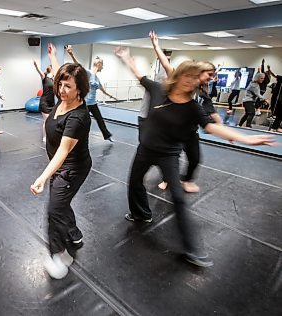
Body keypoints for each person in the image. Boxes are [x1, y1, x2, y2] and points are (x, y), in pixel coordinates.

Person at [115, 46, 274, 267]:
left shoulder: (192, 108)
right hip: (145, 149)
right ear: (178, 76)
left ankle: (191, 249)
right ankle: (141, 214)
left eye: (195, 78)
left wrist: (245, 139)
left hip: (168, 155)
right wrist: (126, 58)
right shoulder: (158, 89)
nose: (191, 81)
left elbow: (211, 127)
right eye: (187, 76)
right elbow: (137, 72)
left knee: (178, 198)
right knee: (133, 182)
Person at [30, 43, 91, 279]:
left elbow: (63, 152)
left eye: (68, 87)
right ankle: (74, 233)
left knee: (54, 210)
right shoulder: (63, 100)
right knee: (62, 203)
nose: (62, 90)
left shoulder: (78, 116)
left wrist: (42, 178)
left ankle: (59, 254)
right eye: (60, 85)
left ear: (80, 90)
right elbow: (60, 74)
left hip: (71, 169)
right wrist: (54, 57)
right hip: (62, 167)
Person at [149, 31, 221, 193]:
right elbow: (166, 65)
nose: (210, 78)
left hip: (189, 131)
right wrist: (156, 46)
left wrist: (221, 126)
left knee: (195, 158)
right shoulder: (180, 81)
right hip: (172, 130)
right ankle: (167, 178)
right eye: (209, 75)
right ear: (199, 72)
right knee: (170, 158)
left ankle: (187, 180)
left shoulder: (202, 90)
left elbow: (210, 109)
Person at [66, 45, 116, 142]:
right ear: (98, 64)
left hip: (93, 103)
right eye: (102, 64)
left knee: (100, 120)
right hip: (85, 103)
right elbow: (78, 65)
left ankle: (107, 135)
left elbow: (102, 89)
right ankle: (71, 135)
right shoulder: (88, 73)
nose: (103, 67)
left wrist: (111, 96)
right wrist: (71, 54)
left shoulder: (97, 78)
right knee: (81, 121)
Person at [33, 60, 55, 142]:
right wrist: (36, 66)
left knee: (52, 120)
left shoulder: (53, 80)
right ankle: (45, 137)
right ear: (51, 70)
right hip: (44, 102)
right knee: (47, 120)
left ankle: (50, 136)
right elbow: (39, 71)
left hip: (51, 103)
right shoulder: (44, 77)